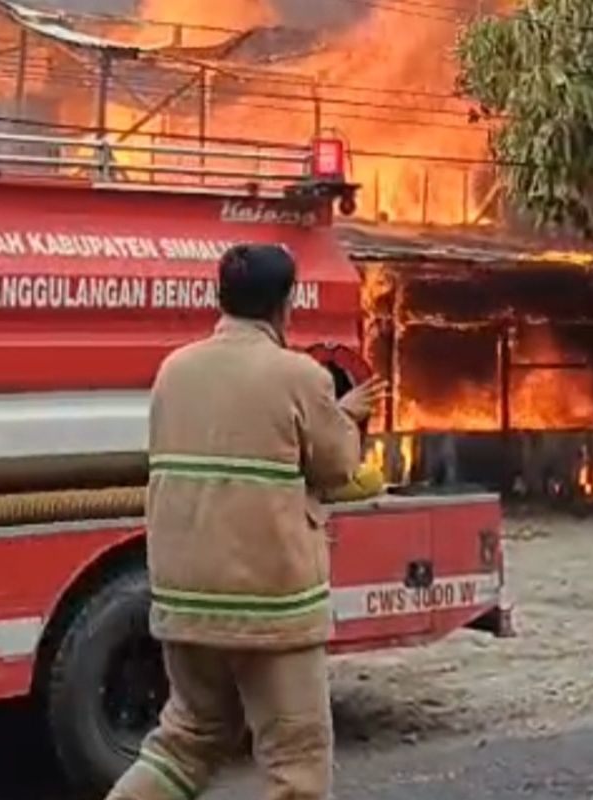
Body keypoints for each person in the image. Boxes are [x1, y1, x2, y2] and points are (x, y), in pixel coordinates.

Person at [107, 243, 385, 800]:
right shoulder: (299, 375)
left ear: (221, 296)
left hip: (184, 599)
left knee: (185, 743)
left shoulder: (174, 370)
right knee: (296, 765)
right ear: (286, 306)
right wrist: (344, 416)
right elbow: (337, 469)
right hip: (271, 607)